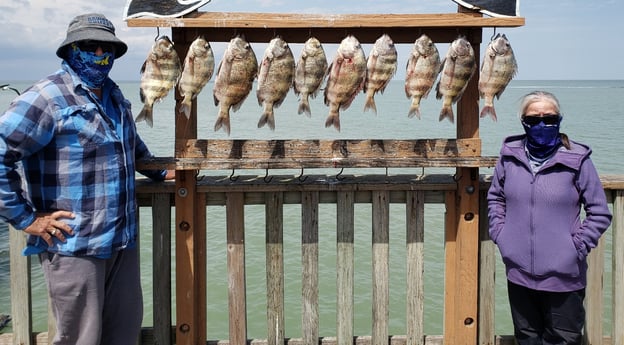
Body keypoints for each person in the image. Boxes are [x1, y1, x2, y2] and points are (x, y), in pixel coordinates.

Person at [0, 13, 174, 345]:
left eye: (105, 47)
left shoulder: (115, 97)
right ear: (69, 50)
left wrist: (162, 172)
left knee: (123, 334)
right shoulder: (47, 97)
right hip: (74, 246)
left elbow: (132, 148)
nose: (98, 54)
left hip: (121, 241)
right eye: (88, 46)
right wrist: (24, 219)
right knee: (81, 338)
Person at [487, 91, 612, 345]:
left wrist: (575, 248)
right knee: (527, 339)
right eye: (533, 119)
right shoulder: (509, 156)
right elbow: (495, 198)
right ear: (523, 122)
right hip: (519, 274)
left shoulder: (577, 159)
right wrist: (502, 235)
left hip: (564, 278)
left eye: (549, 118)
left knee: (563, 340)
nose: (541, 124)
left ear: (559, 119)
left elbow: (599, 212)